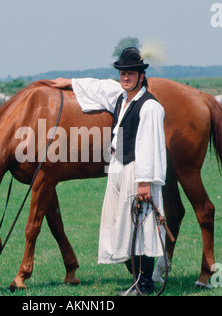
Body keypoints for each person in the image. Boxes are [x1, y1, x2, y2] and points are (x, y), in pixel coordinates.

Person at [51, 47, 167, 295]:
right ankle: (138, 282)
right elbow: (98, 86)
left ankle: (144, 285)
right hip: (117, 168)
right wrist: (69, 83)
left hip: (138, 172)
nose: (125, 78)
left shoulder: (150, 107)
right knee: (121, 227)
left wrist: (145, 182)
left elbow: (150, 145)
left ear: (141, 76)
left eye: (131, 73)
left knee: (141, 228)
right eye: (123, 73)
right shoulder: (120, 97)